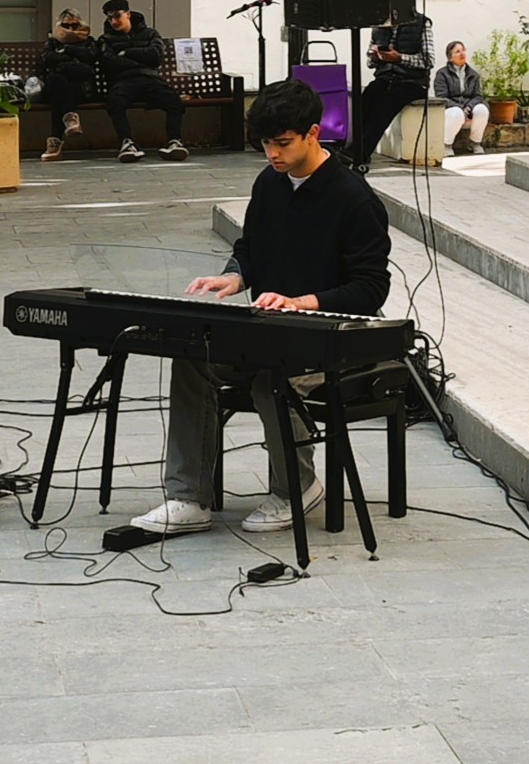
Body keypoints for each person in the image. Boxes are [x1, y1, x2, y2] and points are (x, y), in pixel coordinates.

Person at [131, 78, 392, 534]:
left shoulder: (354, 199)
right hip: (270, 329)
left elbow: (371, 289)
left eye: (283, 143)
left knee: (274, 378)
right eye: (266, 143)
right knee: (192, 358)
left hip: (334, 337)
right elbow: (251, 247)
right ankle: (188, 497)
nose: (273, 154)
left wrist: (302, 302)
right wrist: (235, 274)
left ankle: (297, 487)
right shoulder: (270, 183)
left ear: (314, 133)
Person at [96, 0, 187, 162]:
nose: (114, 21)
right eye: (110, 18)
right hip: (123, 81)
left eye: (117, 16)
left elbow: (156, 56)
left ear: (128, 14)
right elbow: (109, 63)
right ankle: (127, 142)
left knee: (174, 101)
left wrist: (126, 52)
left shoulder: (150, 33)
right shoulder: (106, 39)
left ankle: (175, 141)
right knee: (116, 103)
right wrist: (142, 55)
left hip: (149, 78)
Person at [352, 15, 432, 164]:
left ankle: (362, 153)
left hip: (412, 81)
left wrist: (400, 58)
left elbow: (428, 60)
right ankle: (353, 149)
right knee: (367, 96)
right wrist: (376, 57)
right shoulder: (379, 25)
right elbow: (369, 61)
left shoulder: (422, 23)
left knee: (386, 103)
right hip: (386, 78)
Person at [37, 9, 97, 162]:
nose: (70, 29)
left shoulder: (89, 42)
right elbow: (47, 58)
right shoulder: (52, 42)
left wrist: (67, 50)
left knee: (59, 88)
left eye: (75, 25)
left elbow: (90, 60)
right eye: (66, 25)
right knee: (57, 81)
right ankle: (70, 119)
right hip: (54, 88)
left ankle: (55, 141)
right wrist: (73, 60)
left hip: (81, 90)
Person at [432, 40, 486, 154]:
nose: (462, 54)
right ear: (450, 58)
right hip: (450, 109)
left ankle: (475, 142)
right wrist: (461, 108)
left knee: (482, 110)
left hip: (468, 108)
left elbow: (478, 96)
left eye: (463, 50)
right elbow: (442, 97)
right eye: (457, 52)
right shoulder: (442, 74)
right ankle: (446, 145)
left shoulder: (473, 75)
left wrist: (468, 108)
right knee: (456, 113)